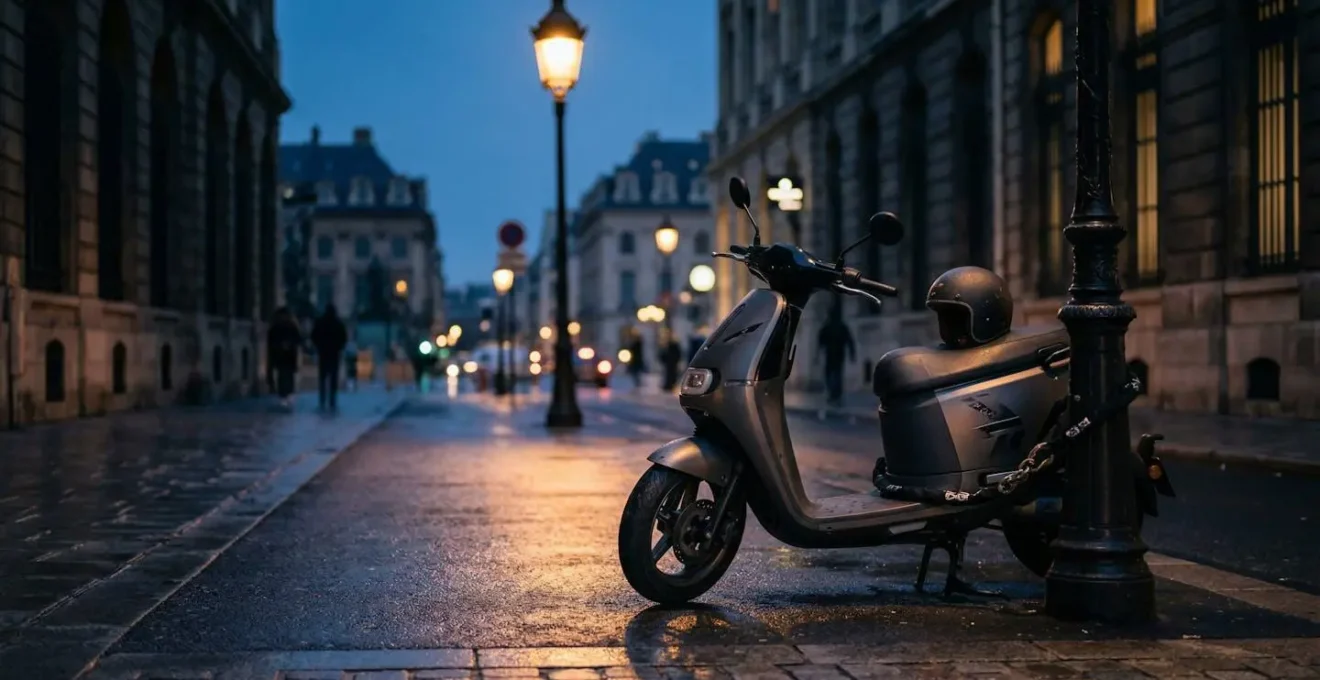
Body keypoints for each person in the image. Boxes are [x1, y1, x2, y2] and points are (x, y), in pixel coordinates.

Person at [310, 304, 348, 410]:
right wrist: (339, 347)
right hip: (334, 354)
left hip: (323, 353)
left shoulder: (320, 323)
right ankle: (332, 400)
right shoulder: (338, 323)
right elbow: (343, 338)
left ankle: (322, 400)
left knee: (322, 378)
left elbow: (314, 336)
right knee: (333, 379)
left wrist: (319, 346)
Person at [817, 303, 856, 406]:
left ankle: (833, 394)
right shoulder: (841, 326)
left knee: (830, 375)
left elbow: (820, 341)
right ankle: (836, 394)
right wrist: (852, 354)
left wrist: (817, 355)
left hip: (831, 354)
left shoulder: (828, 326)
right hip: (839, 354)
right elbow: (850, 341)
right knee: (837, 374)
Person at [266, 307, 302, 408]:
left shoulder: (277, 326)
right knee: (285, 375)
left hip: (283, 355)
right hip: (286, 355)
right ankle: (285, 394)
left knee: (284, 375)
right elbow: (298, 339)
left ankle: (284, 394)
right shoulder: (291, 326)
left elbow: (271, 340)